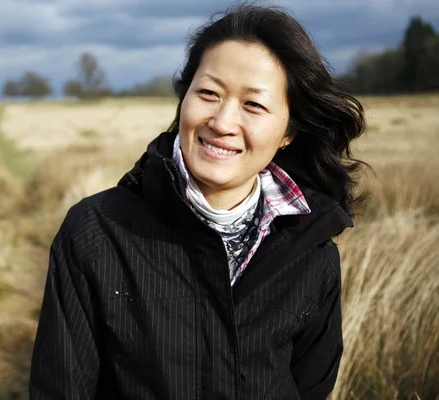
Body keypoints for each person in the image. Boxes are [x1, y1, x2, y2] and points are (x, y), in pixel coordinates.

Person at [30, 4, 366, 399]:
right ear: (183, 99)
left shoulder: (311, 250)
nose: (222, 122)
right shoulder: (96, 233)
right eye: (208, 93)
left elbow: (310, 388)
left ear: (288, 132)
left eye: (253, 105)